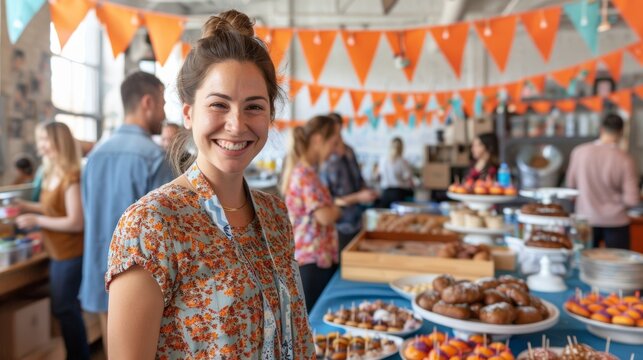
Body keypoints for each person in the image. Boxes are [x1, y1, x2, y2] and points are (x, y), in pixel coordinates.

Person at [105, 10, 314, 358]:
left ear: (271, 116)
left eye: (254, 107)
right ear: (188, 113)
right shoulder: (152, 225)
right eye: (219, 104)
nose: (236, 125)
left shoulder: (275, 214)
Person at [80, 71, 174, 353]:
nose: (164, 112)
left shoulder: (95, 155)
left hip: (98, 266)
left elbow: (89, 214)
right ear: (147, 102)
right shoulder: (155, 158)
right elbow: (167, 228)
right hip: (142, 278)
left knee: (115, 348)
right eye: (162, 103)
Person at [15, 122, 90, 359]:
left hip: (69, 254)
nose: (41, 147)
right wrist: (26, 206)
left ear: (60, 142)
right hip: (55, 252)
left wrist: (37, 221)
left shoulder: (71, 176)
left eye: (46, 141)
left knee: (65, 310)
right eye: (40, 141)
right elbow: (53, 209)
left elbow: (75, 222)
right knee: (65, 310)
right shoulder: (51, 173)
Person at [282, 115, 342, 311]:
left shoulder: (306, 172)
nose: (334, 149)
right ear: (318, 140)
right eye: (333, 143)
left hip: (313, 258)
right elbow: (324, 216)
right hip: (312, 260)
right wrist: (337, 209)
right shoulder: (305, 174)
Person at [566, 113, 640, 249]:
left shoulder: (579, 152)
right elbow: (632, 200)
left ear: (601, 129)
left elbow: (570, 189)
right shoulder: (625, 159)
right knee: (617, 267)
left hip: (585, 219)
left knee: (584, 265)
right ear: (621, 132)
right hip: (616, 222)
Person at [319, 113, 377, 251]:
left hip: (357, 220)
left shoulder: (349, 151)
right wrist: (358, 197)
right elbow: (327, 201)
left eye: (338, 130)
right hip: (337, 226)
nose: (337, 135)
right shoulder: (324, 159)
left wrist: (366, 191)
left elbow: (359, 179)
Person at [377, 136, 414, 208]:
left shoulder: (383, 160)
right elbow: (409, 179)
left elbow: (378, 176)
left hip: (385, 193)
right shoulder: (402, 161)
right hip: (398, 193)